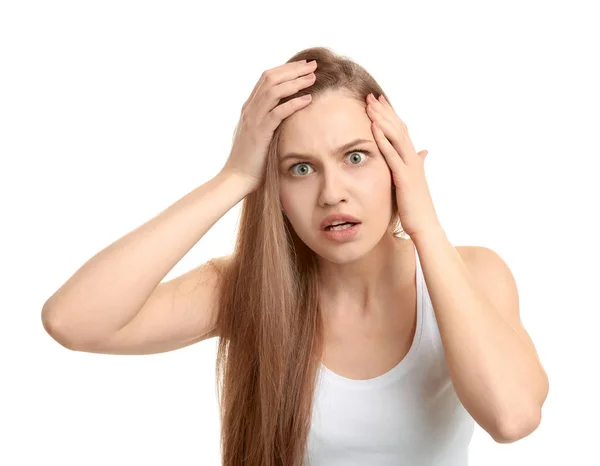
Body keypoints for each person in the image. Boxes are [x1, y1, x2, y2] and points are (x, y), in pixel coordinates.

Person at [41, 46, 547, 466]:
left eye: (356, 157)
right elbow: (73, 321)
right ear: (275, 186)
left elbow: (513, 418)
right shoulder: (246, 289)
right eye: (300, 169)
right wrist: (234, 177)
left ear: (395, 161)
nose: (332, 194)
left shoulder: (475, 274)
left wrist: (426, 227)